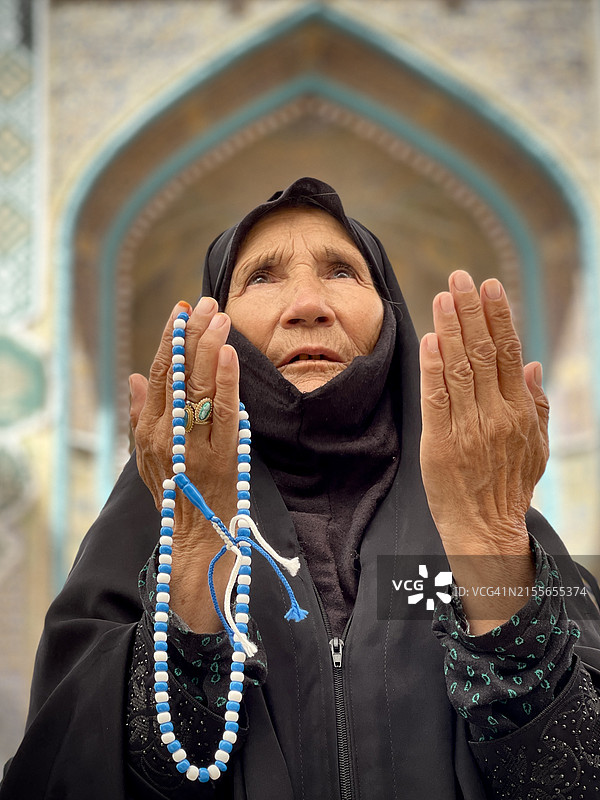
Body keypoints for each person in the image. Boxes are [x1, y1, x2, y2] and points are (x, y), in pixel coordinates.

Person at [2, 177, 599, 800]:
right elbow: (90, 776)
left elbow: (573, 779)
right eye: (262, 277)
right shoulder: (157, 517)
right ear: (218, 324)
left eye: (342, 272)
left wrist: (487, 536)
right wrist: (196, 546)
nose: (307, 304)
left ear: (390, 316)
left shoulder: (488, 510)